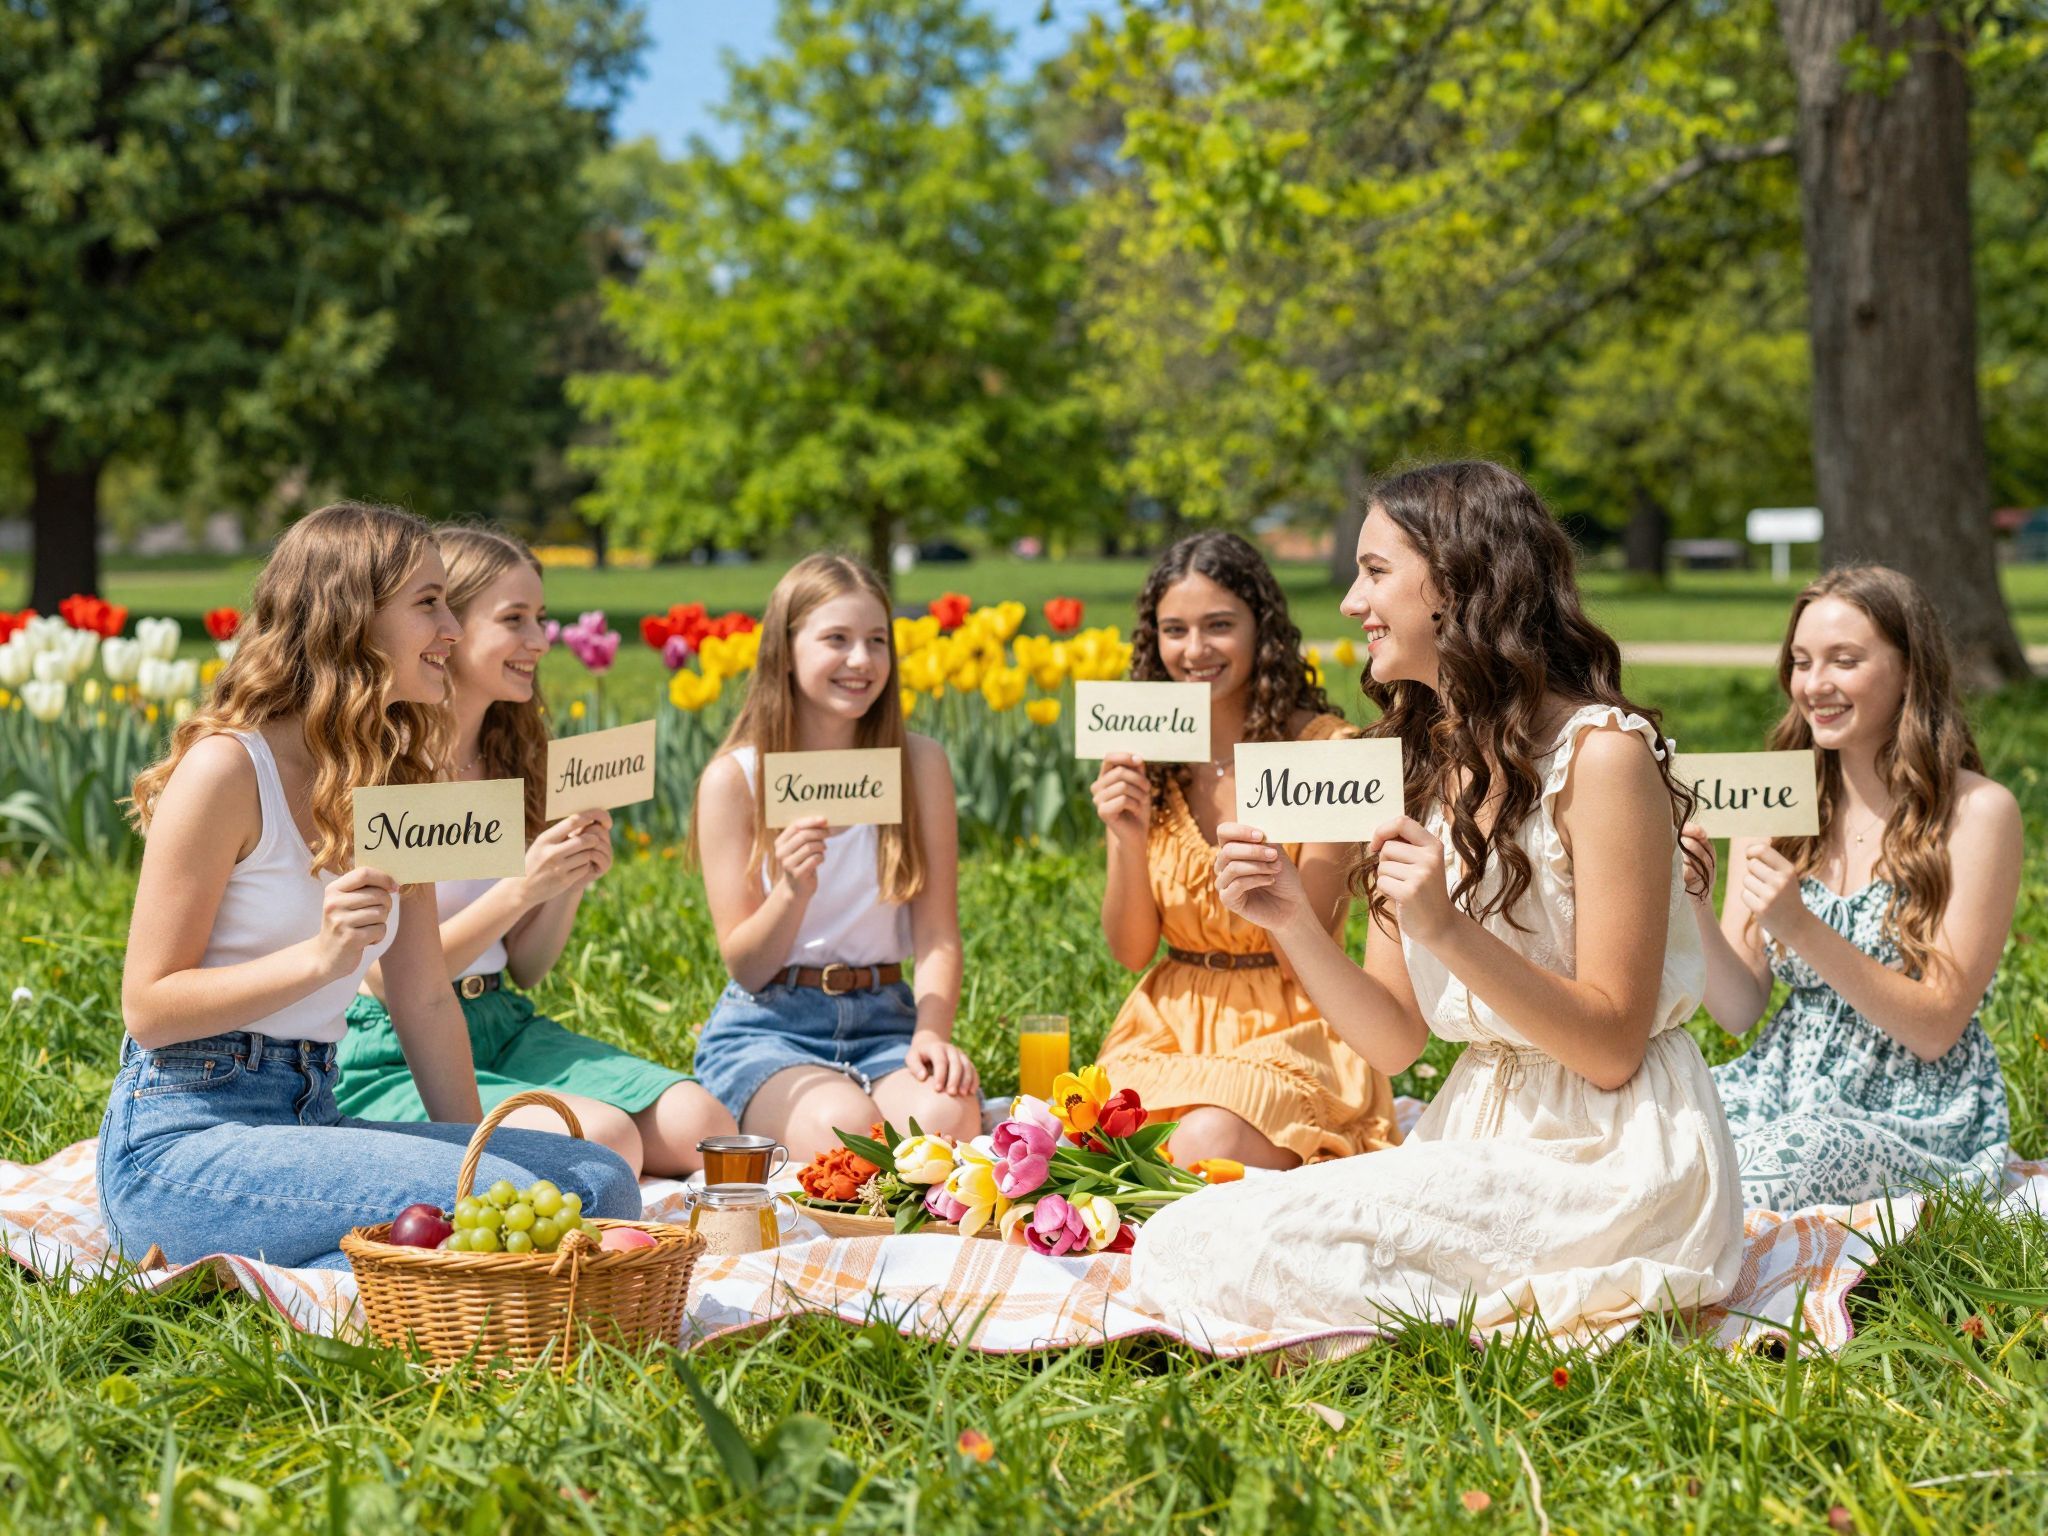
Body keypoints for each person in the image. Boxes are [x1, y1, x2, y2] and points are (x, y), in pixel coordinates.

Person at [1129, 461, 1743, 1340]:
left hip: (1613, 1153)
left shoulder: (1602, 756)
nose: (1352, 602)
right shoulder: (1425, 764)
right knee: (1189, 1237)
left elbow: (1611, 1047)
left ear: (1454, 584)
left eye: (1375, 571)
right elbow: (1394, 1037)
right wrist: (1289, 919)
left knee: (1248, 1251)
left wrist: (1447, 930)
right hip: (1478, 1129)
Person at [99, 502, 639, 1271]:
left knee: (600, 1179)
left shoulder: (389, 779)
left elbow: (424, 1000)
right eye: (429, 603)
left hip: (311, 1116)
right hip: (185, 1138)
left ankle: (345, 1273)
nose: (450, 629)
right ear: (351, 617)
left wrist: (472, 1158)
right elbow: (150, 1009)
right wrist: (319, 960)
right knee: (515, 1205)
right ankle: (359, 1277)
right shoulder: (228, 770)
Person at [337, 525, 735, 1176]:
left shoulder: (518, 762)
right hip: (392, 1043)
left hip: (501, 1017)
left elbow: (526, 966)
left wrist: (568, 879)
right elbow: (390, 982)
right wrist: (521, 887)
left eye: (540, 618)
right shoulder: (384, 765)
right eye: (514, 619)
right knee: (604, 1141)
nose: (540, 641)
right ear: (448, 626)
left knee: (703, 1125)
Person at [1690, 565, 2017, 1210]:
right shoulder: (1772, 797)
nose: (1814, 684)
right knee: (1654, 1141)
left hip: (1912, 1110)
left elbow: (1935, 1028)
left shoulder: (1978, 812)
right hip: (1779, 1086)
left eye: (1844, 661)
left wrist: (1800, 928)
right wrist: (1694, 901)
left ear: (1910, 670)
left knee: (1772, 1166)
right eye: (1801, 662)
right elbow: (1738, 1010)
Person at [1092, 531, 1397, 1167]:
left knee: (1204, 1140)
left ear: (1263, 630)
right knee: (1095, 1141)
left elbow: (1303, 961)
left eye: (1219, 625)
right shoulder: (1151, 758)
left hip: (1293, 1028)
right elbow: (1131, 952)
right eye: (1174, 630)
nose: (1194, 650)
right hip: (1168, 1026)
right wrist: (1125, 836)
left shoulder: (1326, 753)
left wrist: (1269, 870)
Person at [690, 554, 981, 1162]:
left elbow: (937, 936)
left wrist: (931, 1034)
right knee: (842, 1132)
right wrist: (792, 891)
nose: (861, 660)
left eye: (877, 640)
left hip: (886, 1016)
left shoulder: (919, 764)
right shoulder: (735, 779)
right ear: (785, 651)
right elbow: (746, 967)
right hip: (771, 1025)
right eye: (837, 640)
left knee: (946, 1120)